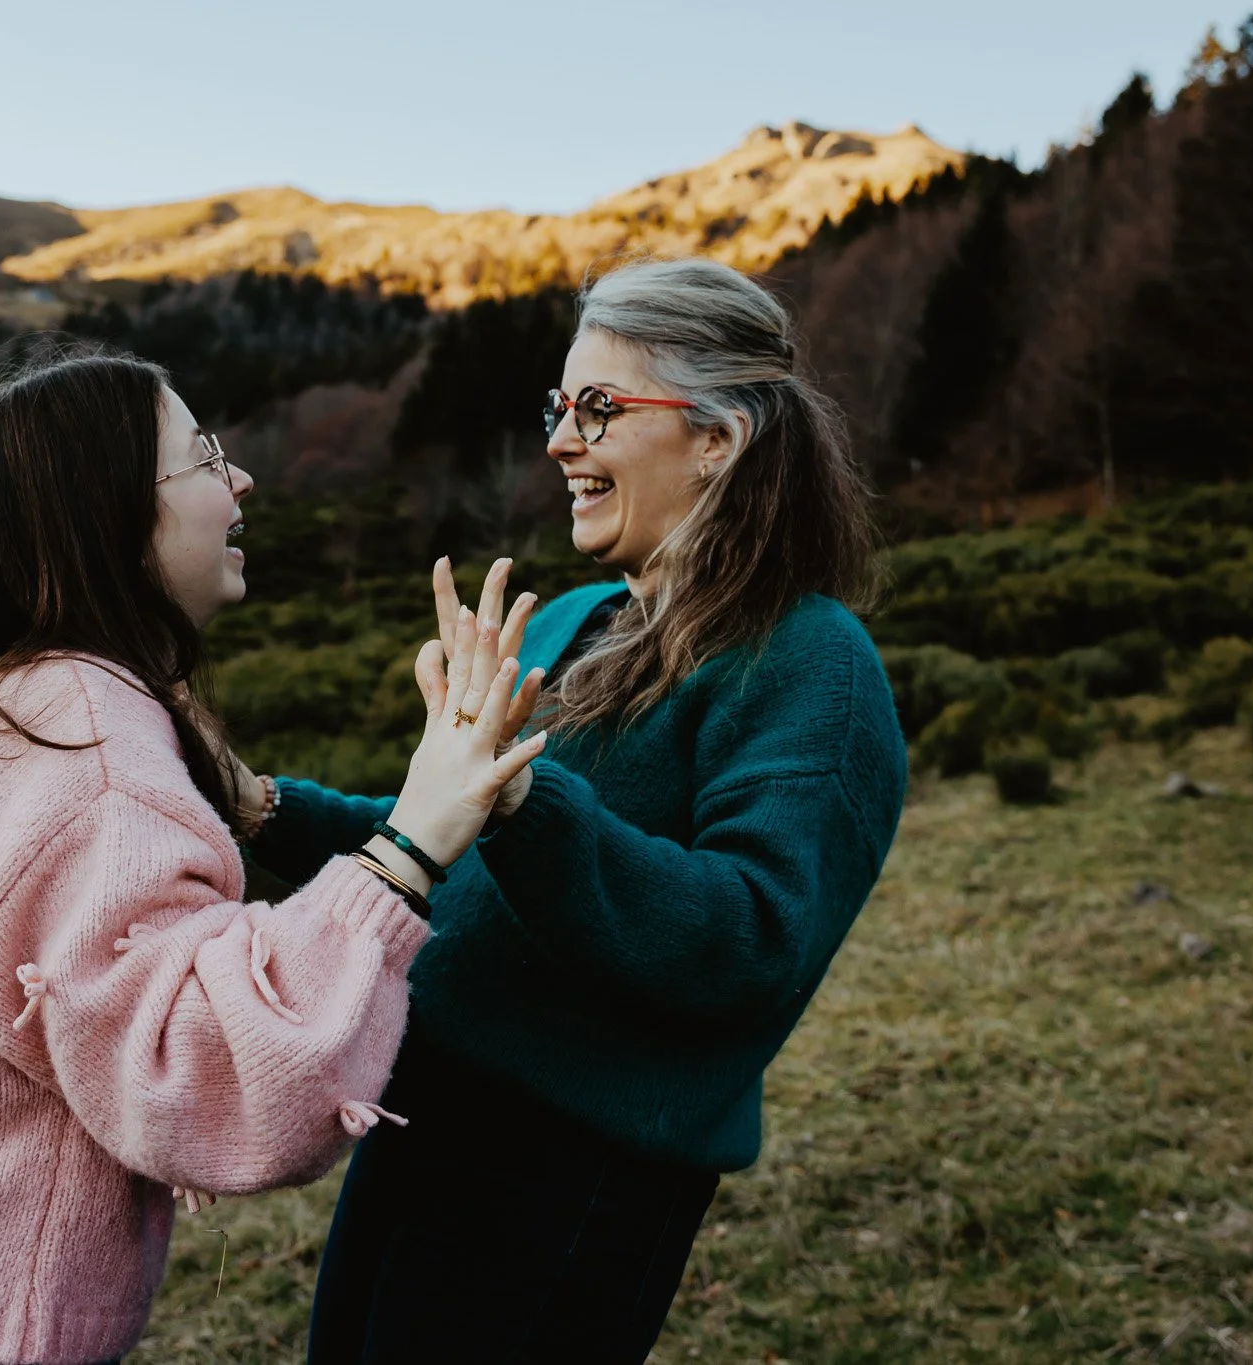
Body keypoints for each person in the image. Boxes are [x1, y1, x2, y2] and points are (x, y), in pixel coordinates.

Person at [0, 346, 542, 1365]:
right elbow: (226, 1075)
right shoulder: (78, 732)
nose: (241, 480)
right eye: (202, 457)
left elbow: (63, 1020)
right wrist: (416, 835)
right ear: (106, 512)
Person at [235, 257, 909, 1362]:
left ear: (716, 437)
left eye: (599, 409)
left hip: (572, 1172)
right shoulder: (580, 620)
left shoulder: (809, 665)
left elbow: (748, 939)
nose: (559, 441)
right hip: (425, 1118)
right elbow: (446, 831)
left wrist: (520, 802)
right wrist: (266, 808)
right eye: (561, 406)